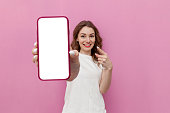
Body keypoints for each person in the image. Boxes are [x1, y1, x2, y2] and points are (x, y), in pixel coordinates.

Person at [32, 20, 113, 113]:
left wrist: (109, 68)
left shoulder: (100, 61)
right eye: (83, 36)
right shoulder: (71, 58)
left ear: (95, 38)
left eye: (91, 36)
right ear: (77, 38)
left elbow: (102, 90)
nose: (88, 40)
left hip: (96, 110)